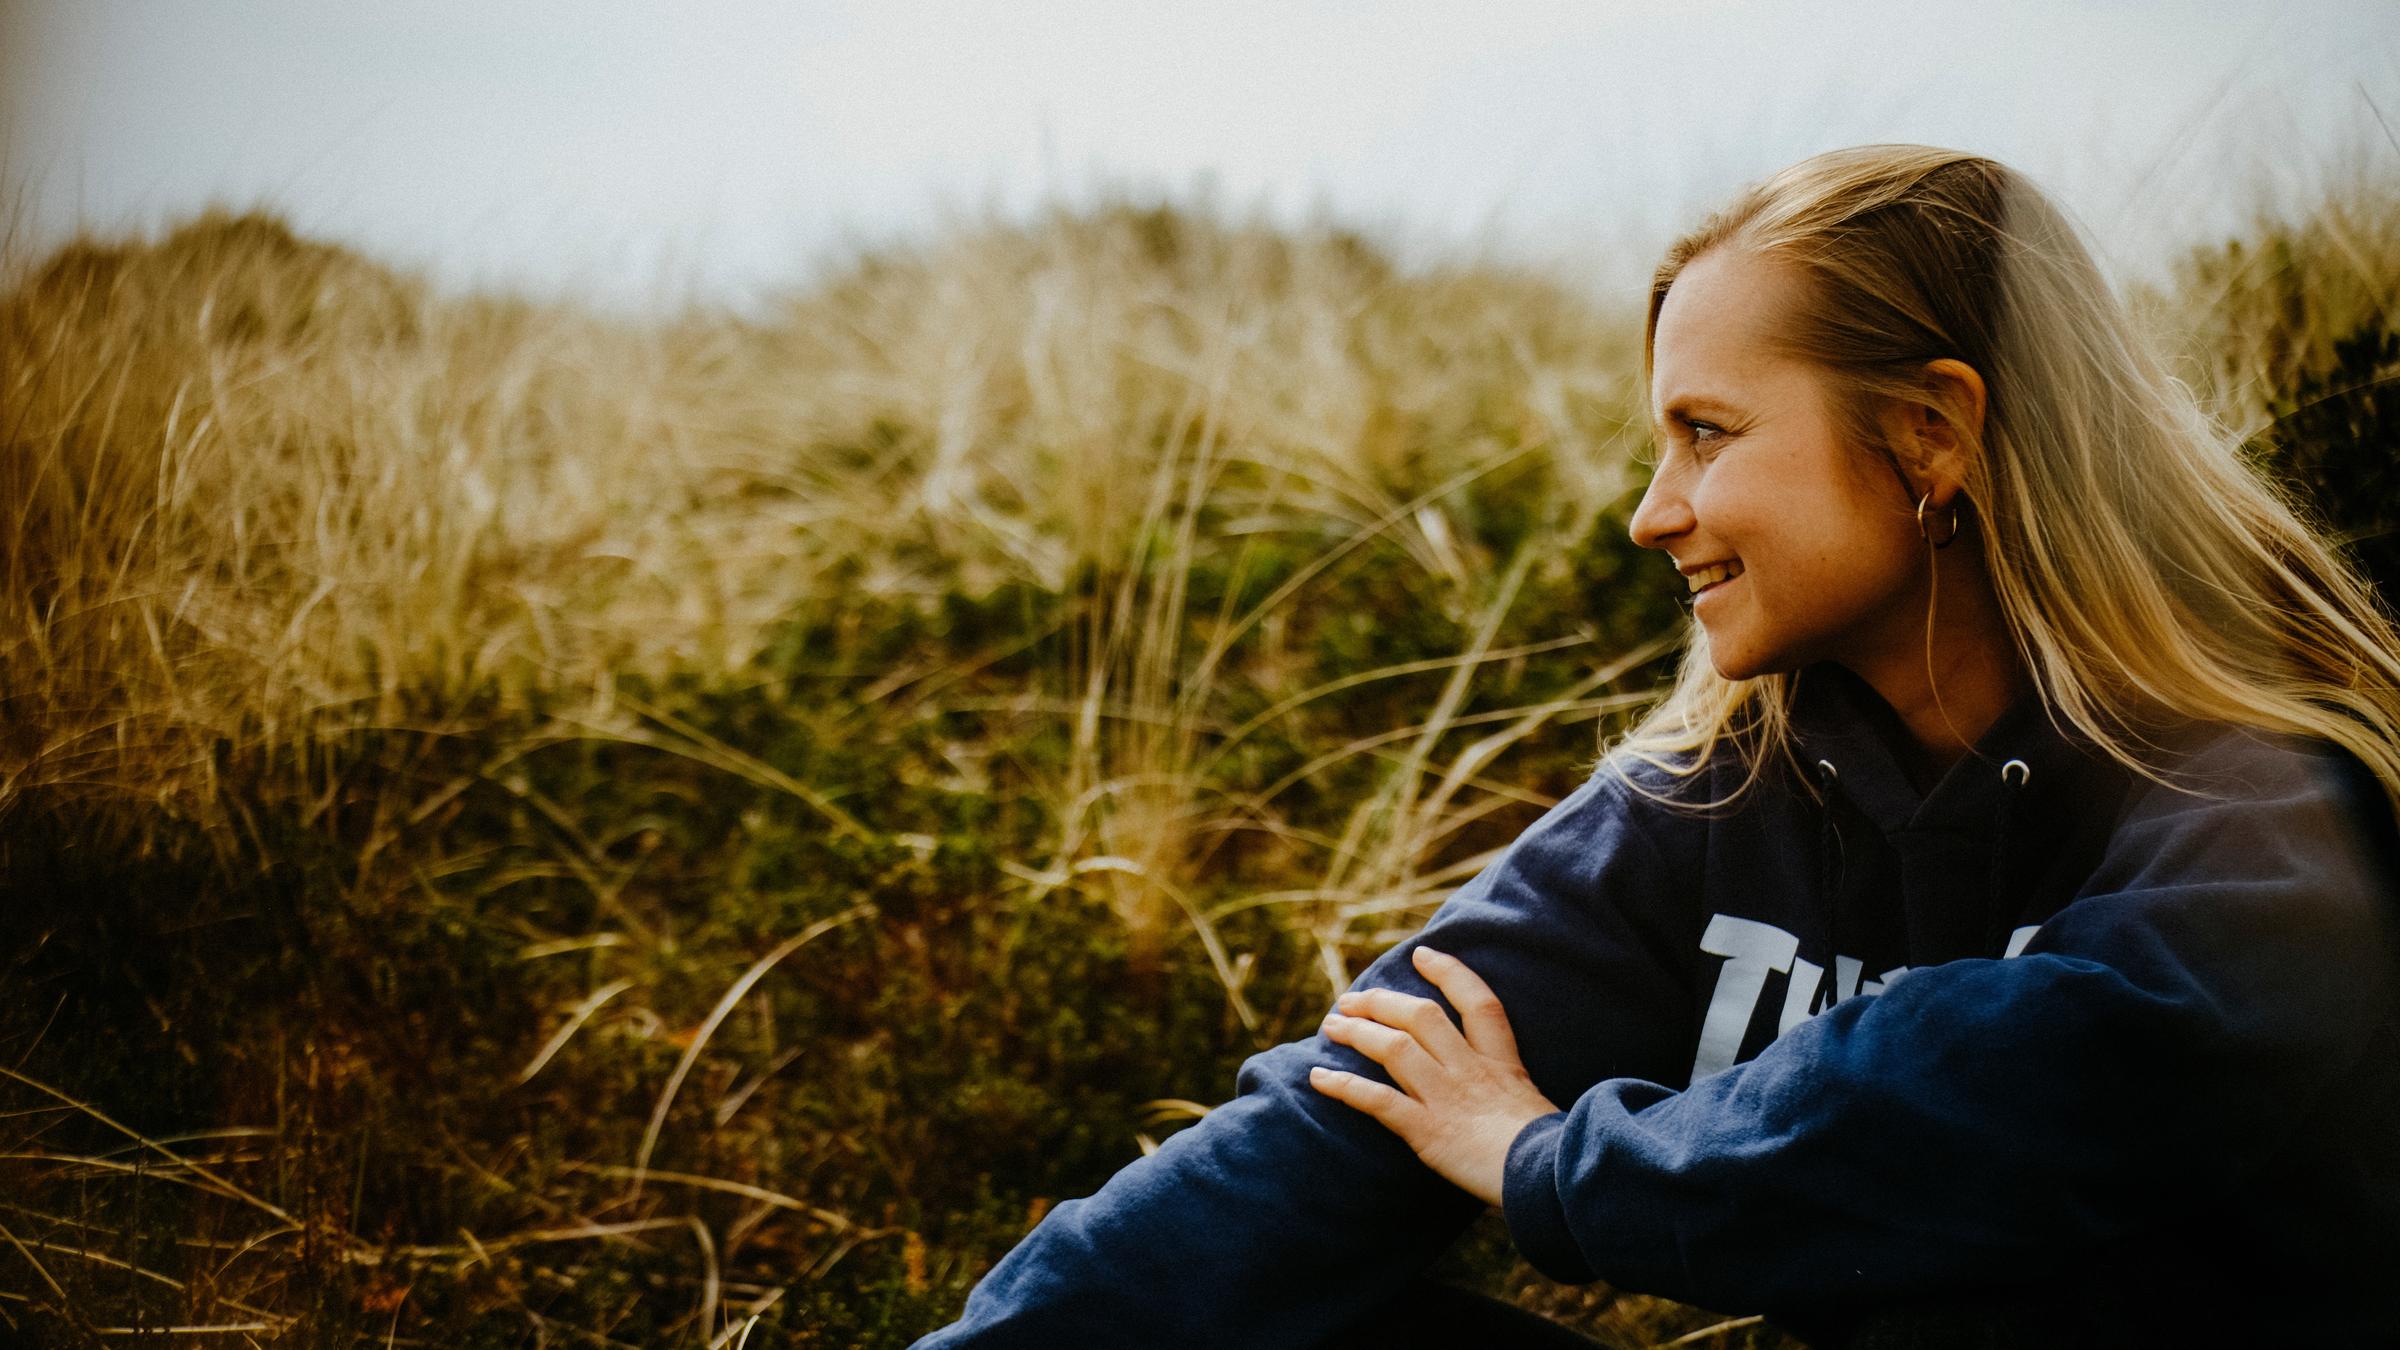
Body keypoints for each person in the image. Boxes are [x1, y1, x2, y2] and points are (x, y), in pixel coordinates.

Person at [910, 145, 2400, 1348]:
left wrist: (1549, 1165)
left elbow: (2024, 1088)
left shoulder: (2272, 786)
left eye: (1708, 432)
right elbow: (1348, 1109)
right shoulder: (1725, 789)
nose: (1651, 512)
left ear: (1932, 433)